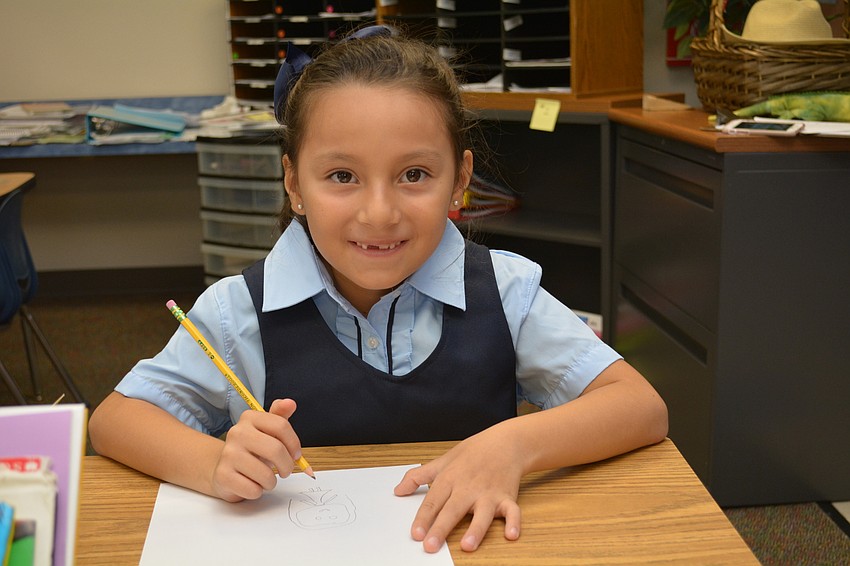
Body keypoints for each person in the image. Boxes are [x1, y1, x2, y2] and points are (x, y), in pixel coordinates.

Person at [89, 26, 667, 554]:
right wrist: (215, 461)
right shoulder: (238, 308)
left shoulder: (505, 290)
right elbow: (115, 421)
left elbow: (639, 407)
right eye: (342, 176)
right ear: (294, 183)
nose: (379, 212)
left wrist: (512, 446)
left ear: (460, 180)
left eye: (413, 175)